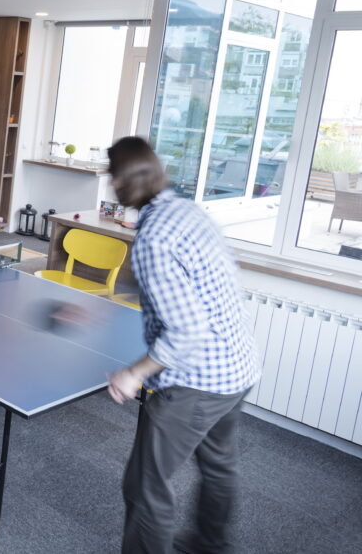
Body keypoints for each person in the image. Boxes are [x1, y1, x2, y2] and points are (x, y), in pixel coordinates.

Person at [104, 136, 259, 554]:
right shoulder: (188, 210)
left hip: (196, 382)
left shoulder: (153, 238)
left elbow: (186, 332)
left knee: (145, 486)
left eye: (111, 174)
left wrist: (133, 372)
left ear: (122, 180)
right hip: (237, 368)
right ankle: (212, 545)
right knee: (219, 465)